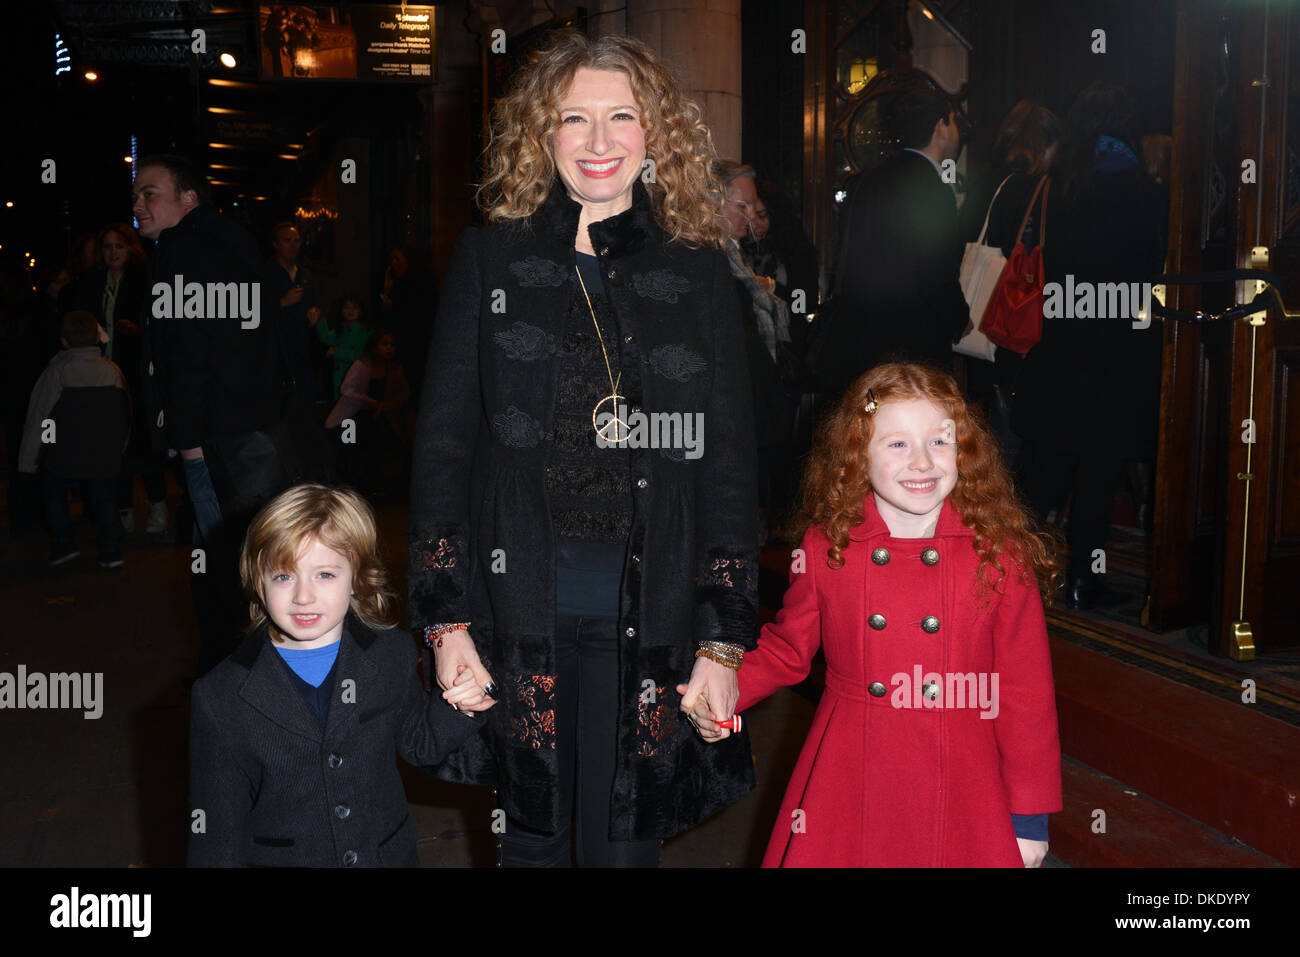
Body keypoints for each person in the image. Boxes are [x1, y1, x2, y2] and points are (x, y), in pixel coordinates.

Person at [408, 30, 759, 867]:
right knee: (527, 839)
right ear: (543, 134)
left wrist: (721, 642)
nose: (599, 142)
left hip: (654, 610)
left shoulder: (701, 273)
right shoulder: (491, 256)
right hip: (516, 600)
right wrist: (445, 620)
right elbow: (442, 448)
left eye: (621, 116)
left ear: (656, 133)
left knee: (624, 848)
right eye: (574, 118)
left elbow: (732, 470)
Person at [690, 362, 1063, 866]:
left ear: (964, 451)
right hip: (852, 768)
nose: (922, 462)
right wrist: (724, 693)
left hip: (964, 778)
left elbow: (1026, 696)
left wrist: (1028, 820)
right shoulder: (828, 548)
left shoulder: (999, 556)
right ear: (857, 457)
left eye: (939, 441)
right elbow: (786, 651)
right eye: (897, 444)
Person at [186, 483, 488, 867]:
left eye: (325, 574)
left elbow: (418, 742)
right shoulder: (220, 696)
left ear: (357, 578)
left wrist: (463, 706)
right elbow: (216, 833)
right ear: (257, 580)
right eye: (283, 576)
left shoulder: (391, 654)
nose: (304, 596)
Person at [133, 153, 299, 675]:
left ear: (188, 198)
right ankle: (252, 664)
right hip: (243, 430)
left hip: (216, 437)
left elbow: (191, 354)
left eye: (150, 192)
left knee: (228, 561)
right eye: (136, 194)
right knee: (248, 555)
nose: (139, 204)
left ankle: (239, 672)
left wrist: (188, 436)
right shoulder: (223, 243)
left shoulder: (186, 250)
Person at [1010, 84, 1167, 609]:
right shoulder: (1143, 190)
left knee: (1047, 464)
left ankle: (1008, 571)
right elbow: (1154, 263)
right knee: (1100, 467)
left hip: (1063, 336)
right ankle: (1083, 576)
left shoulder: (1059, 183)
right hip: (1119, 342)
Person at [837, 73, 970, 380]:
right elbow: (938, 271)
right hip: (915, 350)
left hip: (863, 344)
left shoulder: (865, 181)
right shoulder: (933, 189)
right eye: (953, 121)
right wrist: (959, 317)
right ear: (941, 128)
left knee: (871, 418)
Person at [965, 100, 1060, 463]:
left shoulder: (987, 184)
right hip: (1015, 315)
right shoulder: (1043, 190)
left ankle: (983, 502)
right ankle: (1008, 504)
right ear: (1048, 146)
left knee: (990, 408)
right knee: (1013, 417)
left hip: (979, 310)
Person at [59, 222, 169, 537]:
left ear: (130, 248)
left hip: (137, 374)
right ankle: (123, 508)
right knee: (112, 444)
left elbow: (162, 325)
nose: (112, 253)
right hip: (101, 375)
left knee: (145, 442)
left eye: (118, 246)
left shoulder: (145, 280)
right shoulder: (92, 283)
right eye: (107, 247)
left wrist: (139, 331)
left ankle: (157, 503)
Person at [716, 160, 798, 533]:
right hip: (730, 412)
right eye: (742, 205)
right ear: (712, 202)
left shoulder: (733, 255)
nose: (751, 215)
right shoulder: (709, 257)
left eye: (753, 206)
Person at [18, 310, 131, 568]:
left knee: (54, 493)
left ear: (64, 341)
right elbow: (124, 415)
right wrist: (120, 448)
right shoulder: (112, 372)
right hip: (103, 455)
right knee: (104, 496)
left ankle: (64, 544)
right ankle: (111, 549)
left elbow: (39, 418)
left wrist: (30, 460)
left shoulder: (56, 373)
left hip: (62, 455)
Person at [269, 221, 331, 481]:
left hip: (303, 358)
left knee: (305, 415)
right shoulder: (265, 273)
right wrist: (281, 303)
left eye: (296, 241)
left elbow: (315, 307)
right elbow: (251, 315)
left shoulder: (306, 275)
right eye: (287, 240)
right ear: (275, 244)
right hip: (274, 358)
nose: (293, 246)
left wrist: (315, 314)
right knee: (278, 419)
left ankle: (307, 475)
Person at [325, 328, 411, 497]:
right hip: (351, 418)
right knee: (349, 445)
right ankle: (346, 489)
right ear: (374, 346)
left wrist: (386, 405)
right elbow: (346, 389)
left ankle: (374, 488)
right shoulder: (361, 365)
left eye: (392, 345)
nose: (388, 348)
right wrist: (368, 401)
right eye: (384, 344)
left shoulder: (394, 369)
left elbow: (404, 394)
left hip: (379, 418)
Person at [313, 295, 370, 401]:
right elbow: (327, 338)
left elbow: (359, 355)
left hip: (353, 378)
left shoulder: (362, 330)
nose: (350, 311)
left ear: (361, 311)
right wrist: (320, 320)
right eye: (346, 307)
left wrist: (336, 352)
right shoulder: (343, 328)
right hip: (340, 378)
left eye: (355, 307)